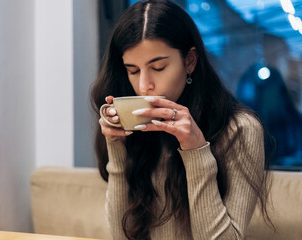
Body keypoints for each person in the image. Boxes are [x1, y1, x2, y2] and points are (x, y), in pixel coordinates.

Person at [90, 0, 272, 239]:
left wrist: (196, 149)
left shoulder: (240, 130)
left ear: (190, 61)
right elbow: (121, 235)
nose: (144, 86)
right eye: (133, 71)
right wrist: (117, 146)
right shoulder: (136, 130)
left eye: (159, 67)